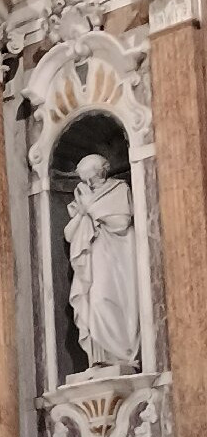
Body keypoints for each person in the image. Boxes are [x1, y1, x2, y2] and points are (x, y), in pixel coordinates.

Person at [64, 154, 140, 366]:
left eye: (90, 176)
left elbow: (121, 222)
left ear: (101, 172)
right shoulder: (82, 197)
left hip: (117, 253)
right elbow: (70, 234)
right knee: (94, 302)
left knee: (109, 300)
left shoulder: (118, 189)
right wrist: (83, 211)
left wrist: (90, 208)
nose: (89, 182)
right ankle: (100, 357)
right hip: (94, 256)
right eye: (85, 178)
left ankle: (122, 354)